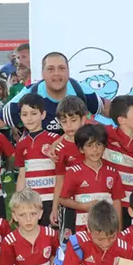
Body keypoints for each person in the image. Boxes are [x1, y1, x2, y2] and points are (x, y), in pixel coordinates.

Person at [0, 52, 104, 135]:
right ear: (42, 73)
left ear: (68, 71)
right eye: (50, 69)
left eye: (62, 68)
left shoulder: (80, 90)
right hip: (40, 158)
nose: (57, 73)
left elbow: (110, 109)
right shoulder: (29, 94)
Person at [59, 124, 124, 232]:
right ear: (81, 149)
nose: (95, 149)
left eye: (98, 144)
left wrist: (119, 229)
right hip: (83, 228)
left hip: (108, 229)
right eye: (89, 145)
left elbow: (117, 201)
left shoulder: (112, 172)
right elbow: (62, 199)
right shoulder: (73, 172)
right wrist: (83, 206)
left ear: (104, 146)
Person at [102, 95, 133, 228]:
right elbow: (79, 132)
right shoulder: (106, 134)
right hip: (112, 203)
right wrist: (56, 143)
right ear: (122, 120)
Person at [14, 94, 61, 226]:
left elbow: (61, 174)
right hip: (31, 202)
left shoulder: (55, 140)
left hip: (52, 199)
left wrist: (57, 203)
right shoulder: (21, 144)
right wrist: (18, 203)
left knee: (54, 237)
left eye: (33, 113)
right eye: (24, 114)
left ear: (43, 114)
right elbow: (22, 174)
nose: (29, 118)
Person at [52, 96, 86, 237]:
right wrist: (55, 208)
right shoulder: (59, 148)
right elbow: (59, 179)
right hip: (69, 203)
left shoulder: (93, 140)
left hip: (94, 198)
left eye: (73, 121)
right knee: (69, 243)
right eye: (64, 122)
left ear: (83, 120)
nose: (69, 126)